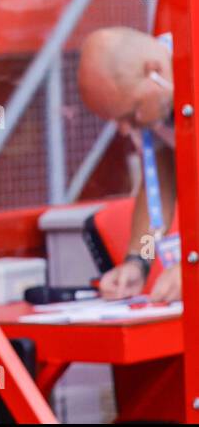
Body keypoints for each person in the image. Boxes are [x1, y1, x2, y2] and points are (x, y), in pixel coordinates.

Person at [77, 26, 182, 303]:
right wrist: (139, 261)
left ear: (154, 69)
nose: (126, 130)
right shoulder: (154, 103)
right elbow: (158, 187)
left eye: (131, 113)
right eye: (117, 120)